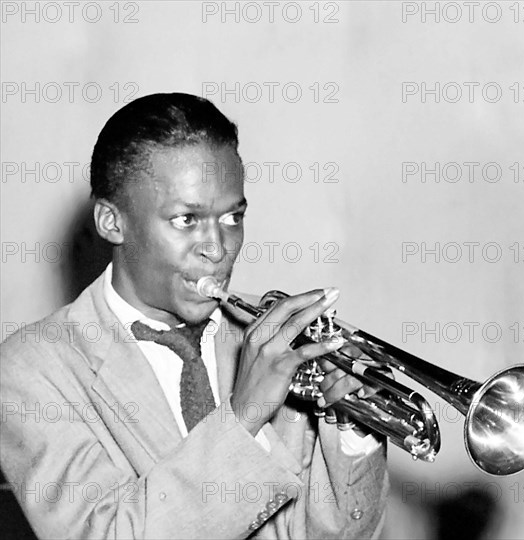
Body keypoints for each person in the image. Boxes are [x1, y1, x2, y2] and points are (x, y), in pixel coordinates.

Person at [0, 93, 388, 539]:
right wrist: (244, 415)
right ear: (112, 222)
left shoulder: (267, 340)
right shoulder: (30, 370)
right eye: (187, 219)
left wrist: (354, 434)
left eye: (232, 217)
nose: (218, 248)